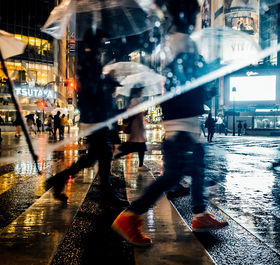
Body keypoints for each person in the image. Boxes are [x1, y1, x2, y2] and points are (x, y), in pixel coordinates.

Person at [111, 0, 228, 247]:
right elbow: (186, 81)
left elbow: (185, 83)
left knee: (196, 168)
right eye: (194, 13)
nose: (195, 17)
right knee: (172, 176)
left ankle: (199, 214)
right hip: (181, 121)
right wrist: (210, 68)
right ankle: (131, 216)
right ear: (185, 15)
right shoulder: (182, 41)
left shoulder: (174, 40)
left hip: (182, 118)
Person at [46, 28, 128, 206]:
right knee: (102, 154)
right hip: (94, 117)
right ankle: (105, 194)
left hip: (96, 117)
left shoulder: (93, 62)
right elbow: (90, 90)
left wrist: (106, 82)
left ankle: (58, 181)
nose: (103, 47)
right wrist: (106, 83)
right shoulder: (89, 62)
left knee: (95, 156)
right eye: (101, 44)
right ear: (95, 44)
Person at [113, 85, 149, 171]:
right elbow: (131, 112)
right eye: (141, 91)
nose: (142, 93)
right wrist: (141, 113)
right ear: (137, 92)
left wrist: (142, 113)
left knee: (139, 147)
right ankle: (117, 154)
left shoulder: (134, 101)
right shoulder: (134, 101)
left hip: (138, 127)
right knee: (137, 146)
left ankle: (140, 164)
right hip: (136, 127)